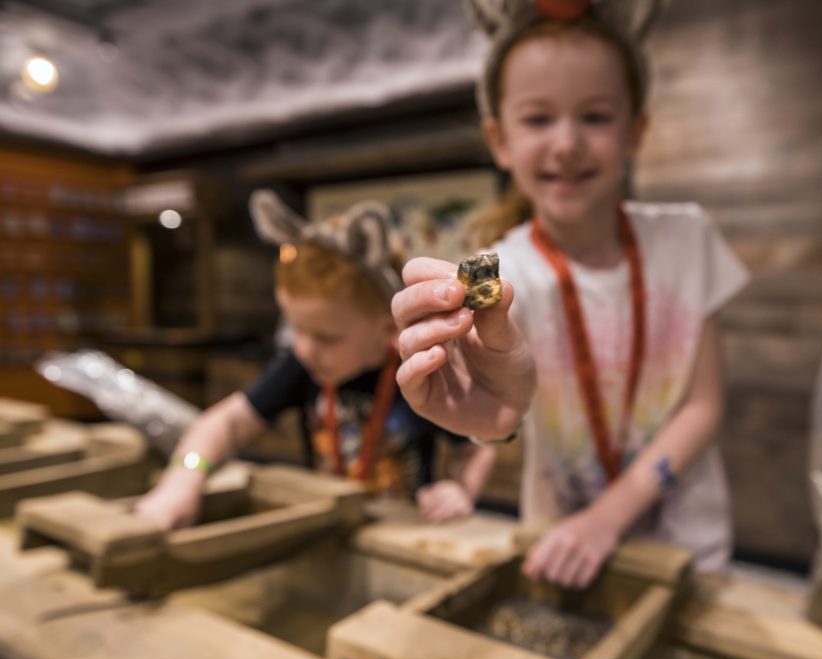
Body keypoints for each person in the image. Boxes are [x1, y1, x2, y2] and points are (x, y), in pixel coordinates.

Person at [391, 0, 750, 587]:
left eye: (595, 116)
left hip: (688, 551)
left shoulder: (688, 239)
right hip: (557, 550)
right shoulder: (503, 274)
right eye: (537, 119)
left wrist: (606, 518)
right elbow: (504, 399)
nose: (566, 143)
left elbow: (703, 406)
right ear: (499, 140)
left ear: (636, 131)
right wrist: (486, 420)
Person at [135, 192, 492, 531]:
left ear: (388, 327)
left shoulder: (423, 369)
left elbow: (475, 449)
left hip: (405, 531)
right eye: (294, 329)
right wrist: (183, 477)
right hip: (329, 525)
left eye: (326, 338)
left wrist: (460, 489)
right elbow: (225, 423)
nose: (304, 349)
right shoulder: (303, 365)